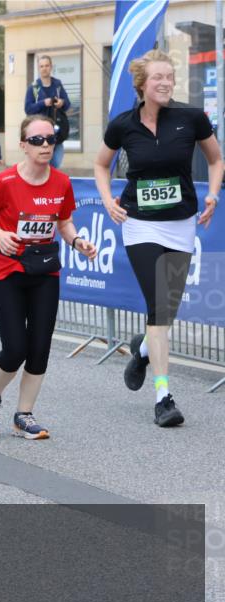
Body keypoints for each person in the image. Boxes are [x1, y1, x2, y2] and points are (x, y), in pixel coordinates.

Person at [94, 49, 222, 427]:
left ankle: (145, 348)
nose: (166, 82)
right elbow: (101, 164)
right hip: (139, 225)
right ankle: (164, 396)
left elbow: (216, 159)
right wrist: (106, 200)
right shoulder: (122, 125)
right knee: (160, 308)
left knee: (166, 310)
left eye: (169, 76)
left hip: (181, 225)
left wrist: (212, 193)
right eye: (158, 78)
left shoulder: (191, 118)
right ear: (142, 85)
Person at [0, 114, 97, 439]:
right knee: (15, 348)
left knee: (39, 347)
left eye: (50, 139)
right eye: (38, 140)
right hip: (8, 271)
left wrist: (77, 241)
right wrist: (0, 234)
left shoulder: (61, 182)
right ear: (23, 145)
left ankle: (24, 415)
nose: (45, 145)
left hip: (45, 271)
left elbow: (64, 221)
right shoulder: (7, 181)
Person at [24, 55, 72, 169]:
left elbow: (68, 104)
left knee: (55, 164)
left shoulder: (57, 85)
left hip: (56, 133)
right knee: (42, 165)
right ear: (38, 68)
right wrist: (43, 103)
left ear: (51, 67)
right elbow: (28, 109)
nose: (44, 68)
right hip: (40, 134)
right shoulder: (33, 88)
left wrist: (61, 102)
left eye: (46, 65)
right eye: (41, 66)